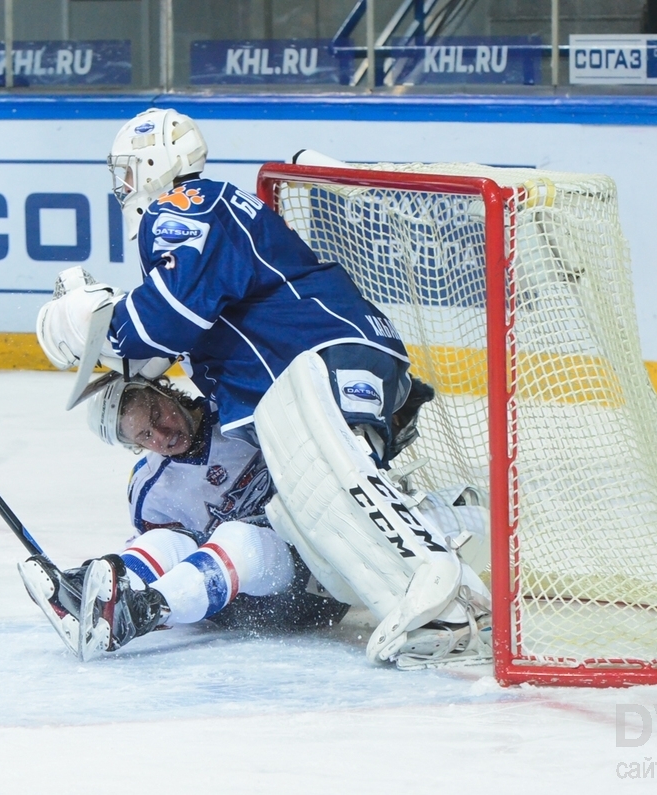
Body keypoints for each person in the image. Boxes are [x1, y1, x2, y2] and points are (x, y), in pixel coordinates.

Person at [35, 108, 490, 668]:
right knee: (320, 518)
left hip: (319, 357)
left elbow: (173, 312)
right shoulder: (207, 212)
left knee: (338, 492)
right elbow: (180, 328)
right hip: (330, 355)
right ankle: (452, 557)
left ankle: (444, 592)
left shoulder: (181, 206)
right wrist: (106, 336)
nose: (123, 189)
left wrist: (100, 323)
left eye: (128, 172)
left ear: (155, 162)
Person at [19, 375, 490, 666]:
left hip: (318, 585)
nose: (164, 433)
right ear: (134, 446)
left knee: (236, 535)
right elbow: (173, 551)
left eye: (159, 414)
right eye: (146, 434)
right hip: (246, 602)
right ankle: (96, 595)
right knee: (167, 543)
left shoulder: (245, 413)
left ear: (166, 390)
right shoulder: (149, 486)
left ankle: (143, 613)